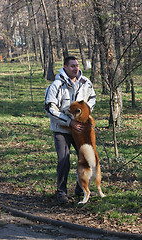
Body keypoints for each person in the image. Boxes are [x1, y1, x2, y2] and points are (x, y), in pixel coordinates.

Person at [45, 56, 96, 204]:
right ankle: (61, 192)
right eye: (72, 66)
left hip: (80, 129)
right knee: (64, 159)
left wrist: (85, 113)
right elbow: (49, 108)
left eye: (77, 65)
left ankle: (81, 189)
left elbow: (92, 98)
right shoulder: (56, 85)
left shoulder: (86, 83)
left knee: (85, 157)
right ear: (65, 67)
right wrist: (69, 122)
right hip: (62, 129)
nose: (76, 68)